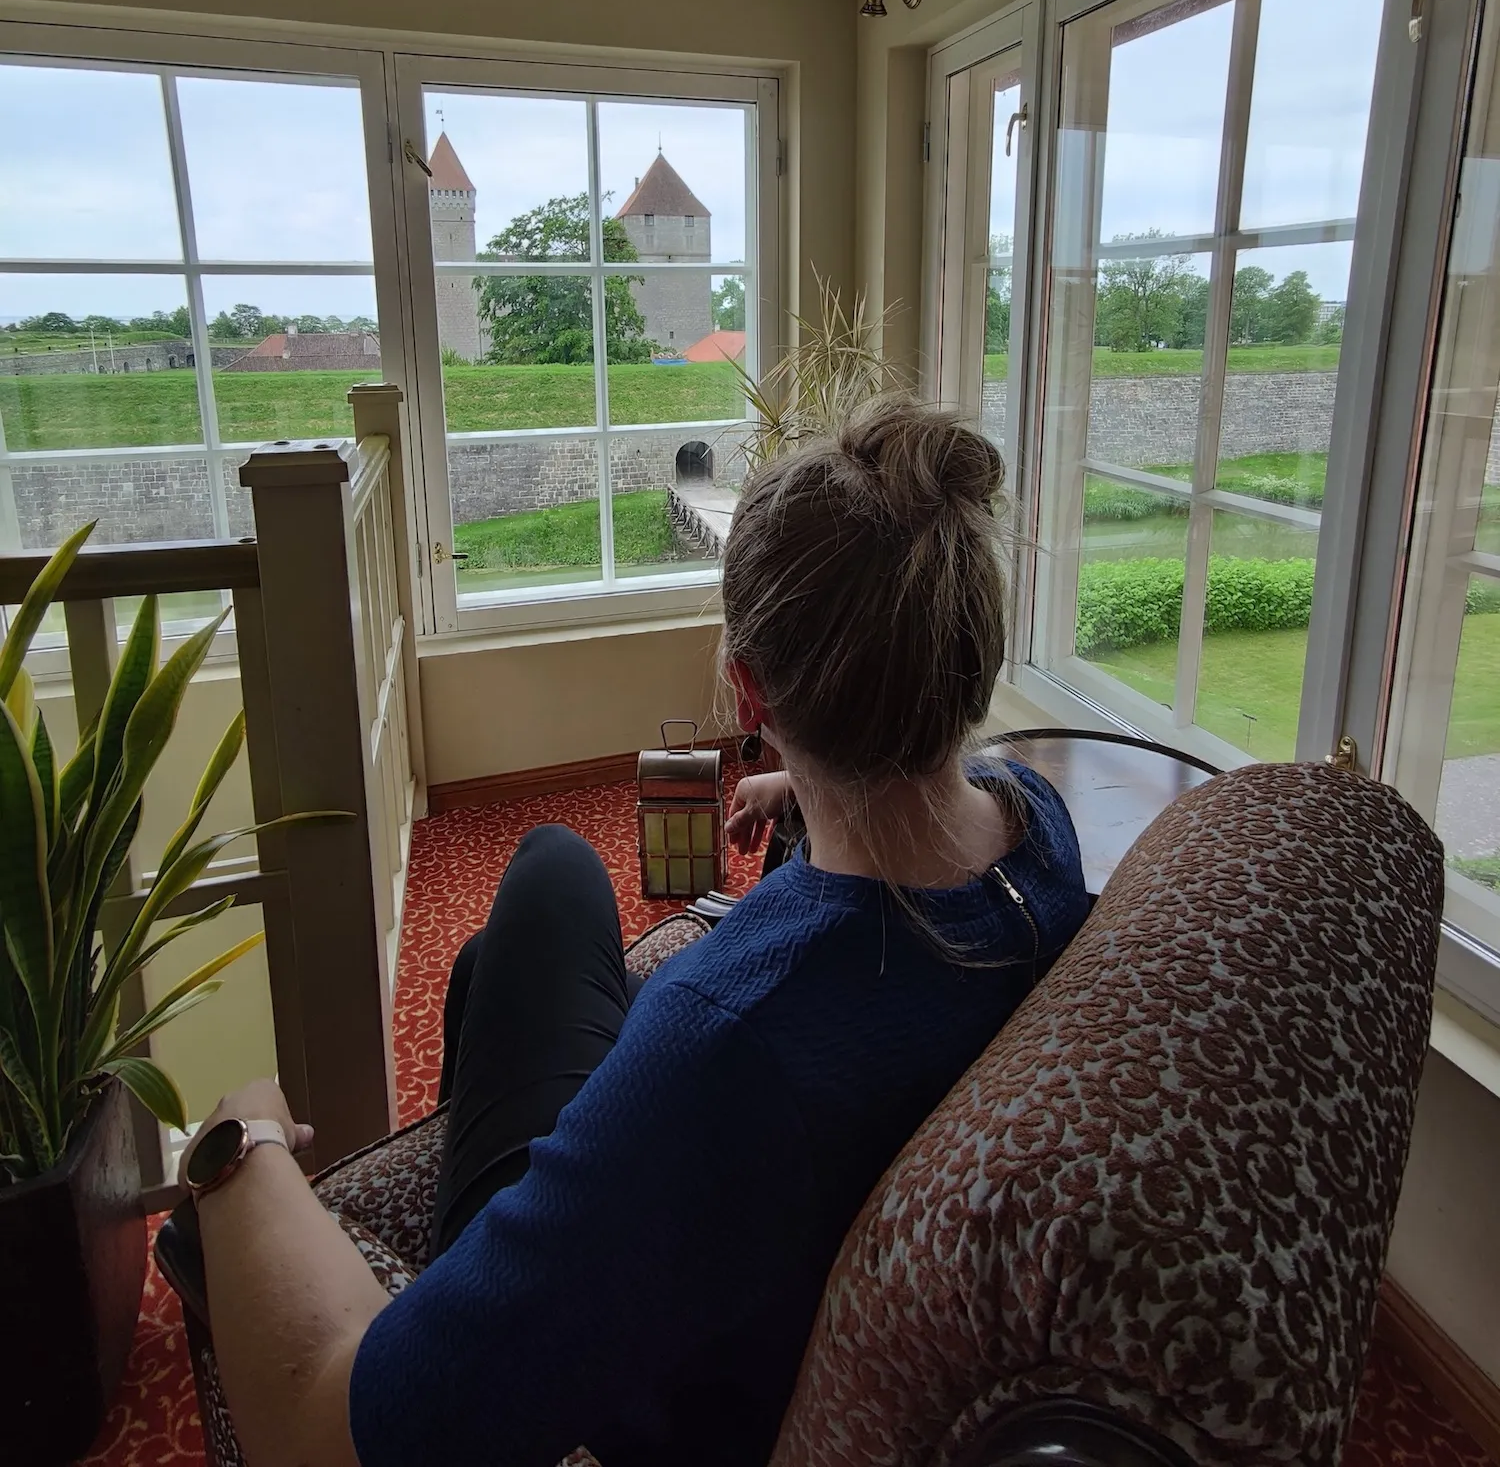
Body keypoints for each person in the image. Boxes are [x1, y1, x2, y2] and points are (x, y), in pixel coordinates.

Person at [178, 399, 1092, 1467]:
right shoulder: (1036, 828)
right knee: (496, 954)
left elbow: (320, 1429)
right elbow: (926, 789)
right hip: (733, 1186)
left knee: (551, 867)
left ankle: (467, 1233)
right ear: (971, 657)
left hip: (620, 1347)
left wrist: (237, 1146)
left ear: (747, 689)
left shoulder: (723, 1038)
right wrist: (801, 785)